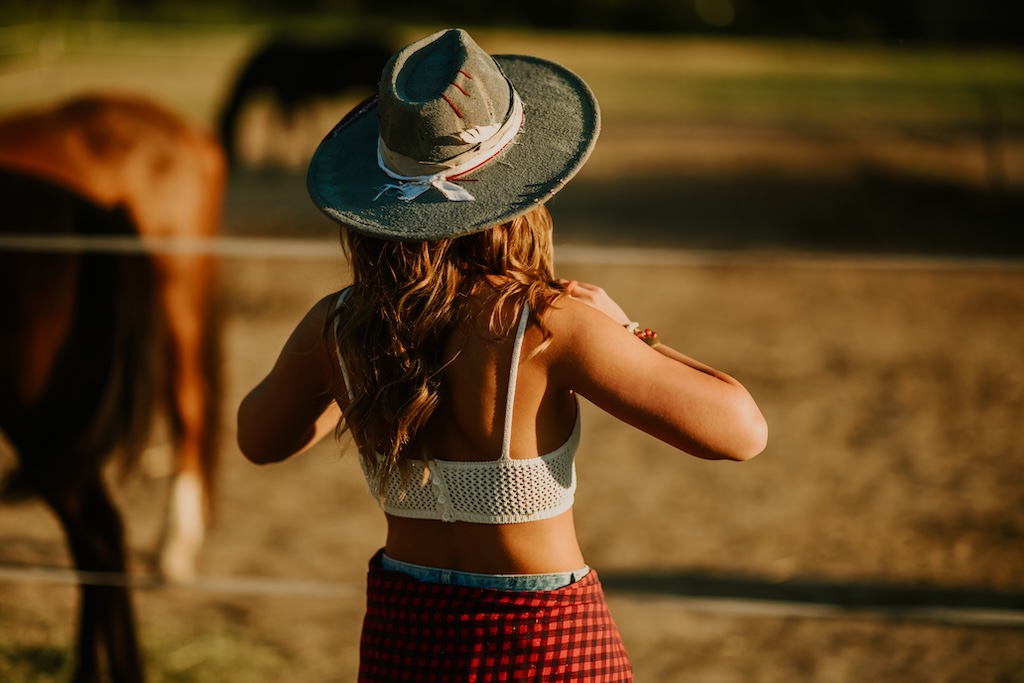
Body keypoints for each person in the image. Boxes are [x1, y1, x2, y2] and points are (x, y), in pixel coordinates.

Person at [237, 28, 767, 682]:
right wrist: (628, 329)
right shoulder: (551, 324)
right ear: (519, 195)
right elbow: (742, 431)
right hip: (543, 645)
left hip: (405, 640)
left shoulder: (339, 326)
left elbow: (259, 438)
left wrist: (348, 374)